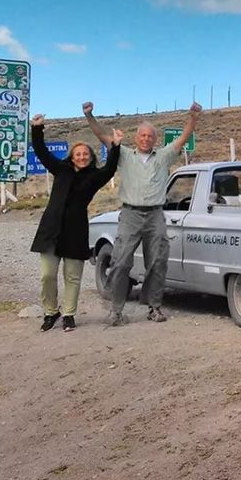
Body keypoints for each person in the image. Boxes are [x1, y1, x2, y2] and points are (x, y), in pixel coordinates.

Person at [84, 100, 202, 325]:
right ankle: (116, 310)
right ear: (136, 138)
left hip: (155, 215)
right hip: (130, 214)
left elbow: (182, 139)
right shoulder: (125, 155)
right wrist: (90, 116)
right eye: (143, 135)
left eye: (150, 136)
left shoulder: (164, 156)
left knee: (158, 261)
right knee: (120, 262)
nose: (146, 139)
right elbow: (102, 136)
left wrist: (193, 118)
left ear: (155, 139)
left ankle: (154, 307)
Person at [29, 113, 122, 332]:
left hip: (75, 231)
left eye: (85, 154)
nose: (81, 157)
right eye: (77, 154)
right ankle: (51, 311)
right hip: (51, 229)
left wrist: (116, 146)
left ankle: (69, 314)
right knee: (47, 275)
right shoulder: (60, 169)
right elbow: (42, 152)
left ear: (90, 157)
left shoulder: (94, 177)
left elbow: (110, 168)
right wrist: (37, 129)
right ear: (72, 156)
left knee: (72, 276)